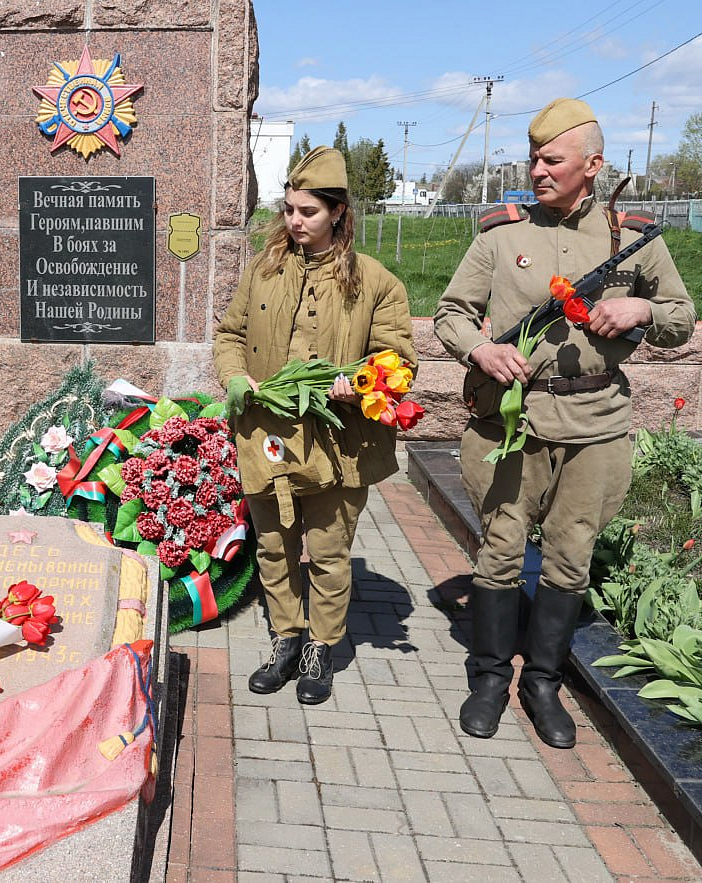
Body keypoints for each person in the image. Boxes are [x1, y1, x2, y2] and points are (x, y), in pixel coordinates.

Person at [435, 98, 695, 749]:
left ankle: (543, 683)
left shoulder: (632, 235)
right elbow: (451, 312)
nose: (537, 170)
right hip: (512, 423)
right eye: (534, 158)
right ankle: (490, 679)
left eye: (552, 159)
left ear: (593, 165)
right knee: (499, 552)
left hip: (595, 424)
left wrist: (640, 309)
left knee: (571, 557)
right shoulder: (503, 232)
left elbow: (680, 318)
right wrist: (481, 349)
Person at [214, 146, 416, 704]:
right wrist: (234, 375)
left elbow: (399, 362)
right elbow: (231, 334)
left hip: (337, 442)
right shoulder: (264, 271)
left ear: (338, 212)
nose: (294, 221)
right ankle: (285, 639)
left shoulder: (376, 283)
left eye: (307, 211)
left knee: (327, 554)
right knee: (274, 547)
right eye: (288, 210)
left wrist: (363, 383)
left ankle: (320, 648)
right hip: (268, 437)